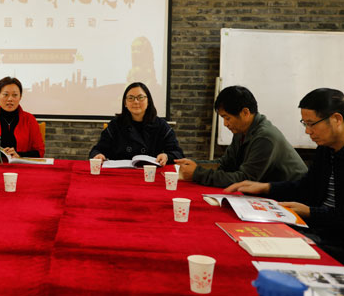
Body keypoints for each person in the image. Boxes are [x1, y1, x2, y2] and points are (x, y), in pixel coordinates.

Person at [225, 88, 344, 263]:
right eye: (305, 124)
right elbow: (306, 186)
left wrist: (309, 212)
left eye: (312, 124)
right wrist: (266, 188)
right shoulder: (326, 149)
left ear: (336, 119)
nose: (308, 131)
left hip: (335, 240)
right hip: (317, 227)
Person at [175, 86, 307, 187]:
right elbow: (225, 164)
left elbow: (244, 179)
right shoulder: (241, 131)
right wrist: (193, 164)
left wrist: (197, 173)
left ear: (245, 112)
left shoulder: (265, 137)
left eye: (227, 118)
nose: (225, 124)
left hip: (292, 198)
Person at [89, 82, 183, 166]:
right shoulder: (115, 124)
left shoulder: (161, 125)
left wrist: (166, 156)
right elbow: (97, 150)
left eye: (140, 97)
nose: (136, 102)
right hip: (121, 174)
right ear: (125, 103)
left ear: (148, 101)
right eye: (131, 98)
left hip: (150, 174)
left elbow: (178, 153)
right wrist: (98, 155)